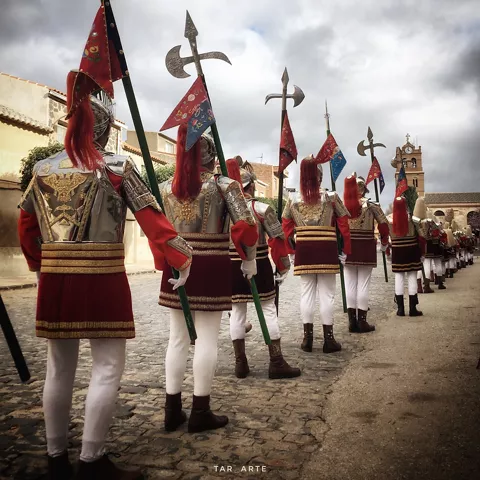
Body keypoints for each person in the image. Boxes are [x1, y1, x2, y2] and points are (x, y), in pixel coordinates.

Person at [18, 70, 193, 480]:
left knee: (58, 369)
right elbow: (154, 223)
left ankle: (55, 456)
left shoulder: (42, 169)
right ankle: (91, 461)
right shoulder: (116, 167)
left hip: (57, 279)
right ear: (102, 125)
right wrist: (181, 259)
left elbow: (25, 223)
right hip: (103, 278)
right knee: (108, 367)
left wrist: (41, 266)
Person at [157, 126, 258, 434]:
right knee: (207, 338)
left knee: (177, 339)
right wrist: (250, 259)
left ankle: (171, 409)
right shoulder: (225, 186)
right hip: (212, 263)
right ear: (212, 156)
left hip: (176, 265)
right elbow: (247, 225)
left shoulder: (165, 188)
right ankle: (200, 409)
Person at [226, 157, 300, 379]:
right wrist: (283, 266)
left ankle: (241, 363)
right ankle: (276, 361)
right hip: (259, 263)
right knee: (268, 310)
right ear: (251, 186)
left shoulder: (223, 211)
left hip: (231, 265)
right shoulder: (261, 208)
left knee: (237, 313)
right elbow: (277, 240)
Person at [282, 155, 351, 353]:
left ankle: (307, 339)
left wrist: (291, 251)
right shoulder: (331, 197)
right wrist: (345, 249)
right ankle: (329, 339)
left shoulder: (293, 200)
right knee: (327, 295)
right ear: (320, 177)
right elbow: (344, 223)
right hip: (327, 249)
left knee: (306, 294)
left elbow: (286, 226)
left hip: (304, 249)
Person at [342, 173, 389, 332]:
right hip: (366, 246)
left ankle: (351, 321)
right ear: (363, 189)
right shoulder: (371, 205)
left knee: (350, 285)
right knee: (363, 284)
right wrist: (384, 242)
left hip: (347, 248)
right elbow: (383, 224)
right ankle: (362, 322)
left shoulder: (341, 205)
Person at [387, 196, 425, 317]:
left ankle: (400, 309)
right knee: (412, 277)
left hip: (397, 252)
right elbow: (422, 237)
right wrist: (422, 252)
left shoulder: (388, 220)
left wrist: (388, 252)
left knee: (399, 278)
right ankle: (413, 308)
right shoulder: (413, 220)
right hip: (412, 251)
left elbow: (386, 238)